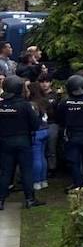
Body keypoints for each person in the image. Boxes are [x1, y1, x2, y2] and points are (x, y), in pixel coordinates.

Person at [53, 74, 83, 189]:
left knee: (74, 161)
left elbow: (59, 118)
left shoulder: (64, 103)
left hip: (72, 135)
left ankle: (78, 184)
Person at [0, 75, 42, 209]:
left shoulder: (1, 105)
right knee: (26, 171)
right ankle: (30, 199)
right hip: (23, 141)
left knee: (5, 172)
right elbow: (35, 125)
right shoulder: (25, 105)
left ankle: (1, 200)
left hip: (5, 141)